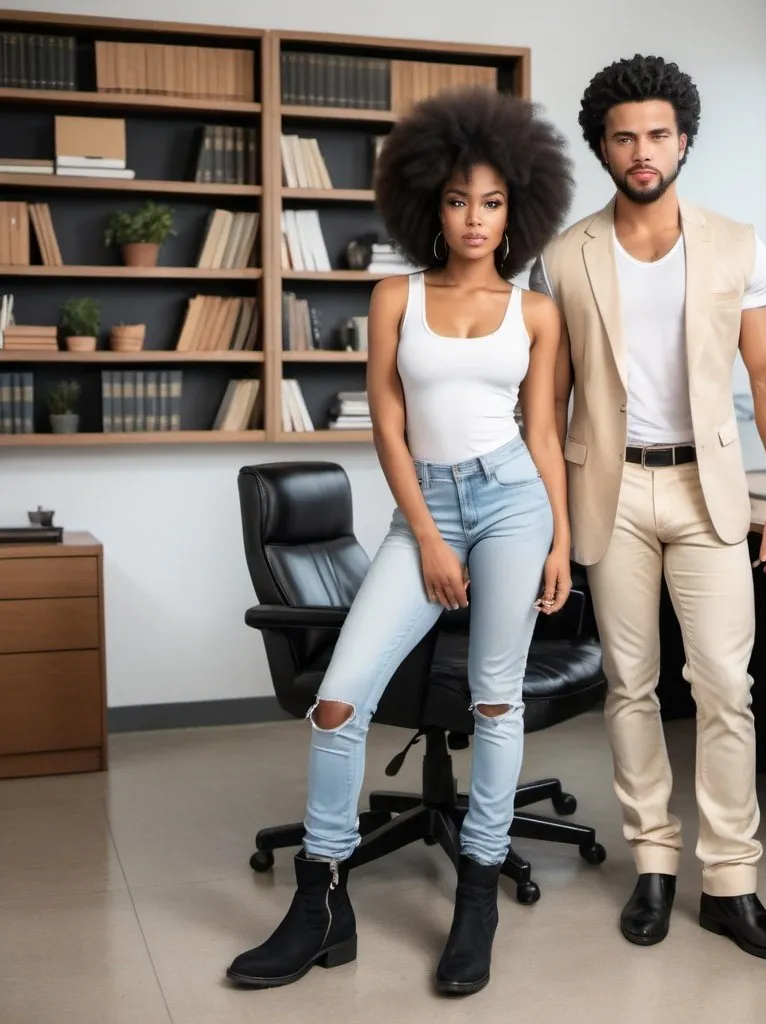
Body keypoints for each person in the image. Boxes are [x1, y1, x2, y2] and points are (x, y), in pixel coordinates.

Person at [227, 87, 574, 996]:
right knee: (338, 700)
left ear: (517, 209)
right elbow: (387, 425)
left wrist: (560, 541)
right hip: (425, 509)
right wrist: (425, 533)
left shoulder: (536, 314)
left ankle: (477, 894)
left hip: (513, 503)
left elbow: (544, 438)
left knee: (497, 702)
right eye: (459, 200)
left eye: (493, 202)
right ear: (429, 202)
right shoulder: (395, 297)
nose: (475, 218)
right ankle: (321, 897)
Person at [530, 54, 766, 963]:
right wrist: (557, 530)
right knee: (630, 685)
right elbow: (547, 402)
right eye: (624, 137)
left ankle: (731, 883)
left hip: (708, 490)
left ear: (683, 139)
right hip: (609, 490)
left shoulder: (738, 243)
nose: (642, 151)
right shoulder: (562, 254)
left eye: (657, 134)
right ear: (603, 147)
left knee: (727, 689)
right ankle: (654, 861)